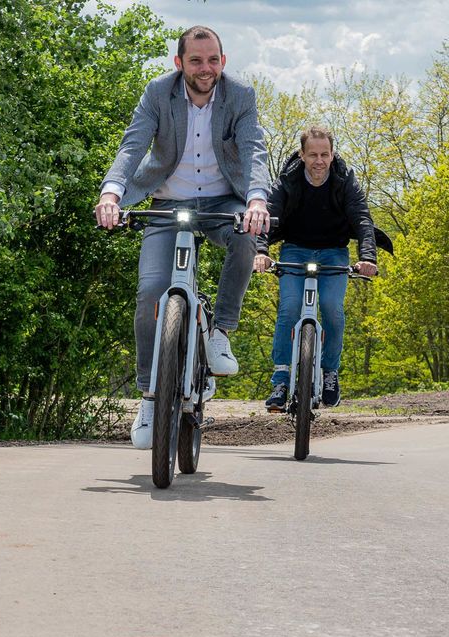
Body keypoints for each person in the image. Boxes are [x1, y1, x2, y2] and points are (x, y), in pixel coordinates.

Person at [94, 25, 271, 449]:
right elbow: (132, 146)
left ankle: (220, 333)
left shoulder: (240, 96)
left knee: (246, 235)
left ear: (222, 62)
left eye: (212, 60)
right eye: (195, 60)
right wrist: (111, 194)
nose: (205, 68)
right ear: (179, 63)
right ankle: (149, 396)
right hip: (167, 204)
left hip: (222, 202)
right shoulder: (158, 92)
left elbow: (254, 150)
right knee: (150, 292)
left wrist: (256, 200)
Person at [253, 125, 389, 410]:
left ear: (332, 154)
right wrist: (261, 252)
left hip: (334, 253)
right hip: (294, 250)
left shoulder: (344, 179)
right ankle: (281, 380)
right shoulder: (288, 179)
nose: (319, 161)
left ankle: (329, 373)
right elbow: (268, 215)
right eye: (313, 155)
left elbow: (362, 219)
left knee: (331, 307)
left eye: (324, 154)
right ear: (302, 155)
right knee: (289, 308)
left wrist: (368, 258)